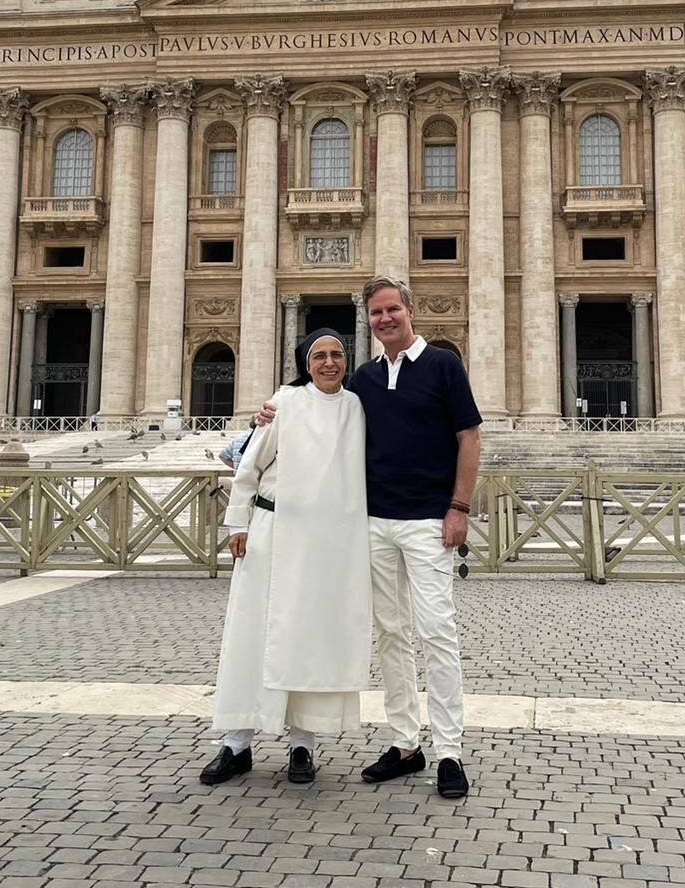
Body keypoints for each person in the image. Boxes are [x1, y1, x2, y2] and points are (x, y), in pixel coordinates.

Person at [255, 276, 481, 798]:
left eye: (391, 310)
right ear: (370, 321)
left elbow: (468, 437)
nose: (385, 319)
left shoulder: (445, 364)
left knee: (437, 632)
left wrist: (459, 508)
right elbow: (323, 407)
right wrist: (274, 409)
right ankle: (406, 742)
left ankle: (450, 749)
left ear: (410, 310)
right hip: (375, 522)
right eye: (376, 313)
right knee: (391, 634)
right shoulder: (365, 377)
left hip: (428, 521)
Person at [202, 329, 371, 787]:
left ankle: (302, 745)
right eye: (321, 356)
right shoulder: (284, 402)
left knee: (309, 642)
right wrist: (238, 523)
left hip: (324, 546)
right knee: (252, 637)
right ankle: (236, 744)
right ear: (306, 362)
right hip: (271, 535)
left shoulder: (357, 407)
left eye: (338, 355)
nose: (331, 363)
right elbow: (249, 466)